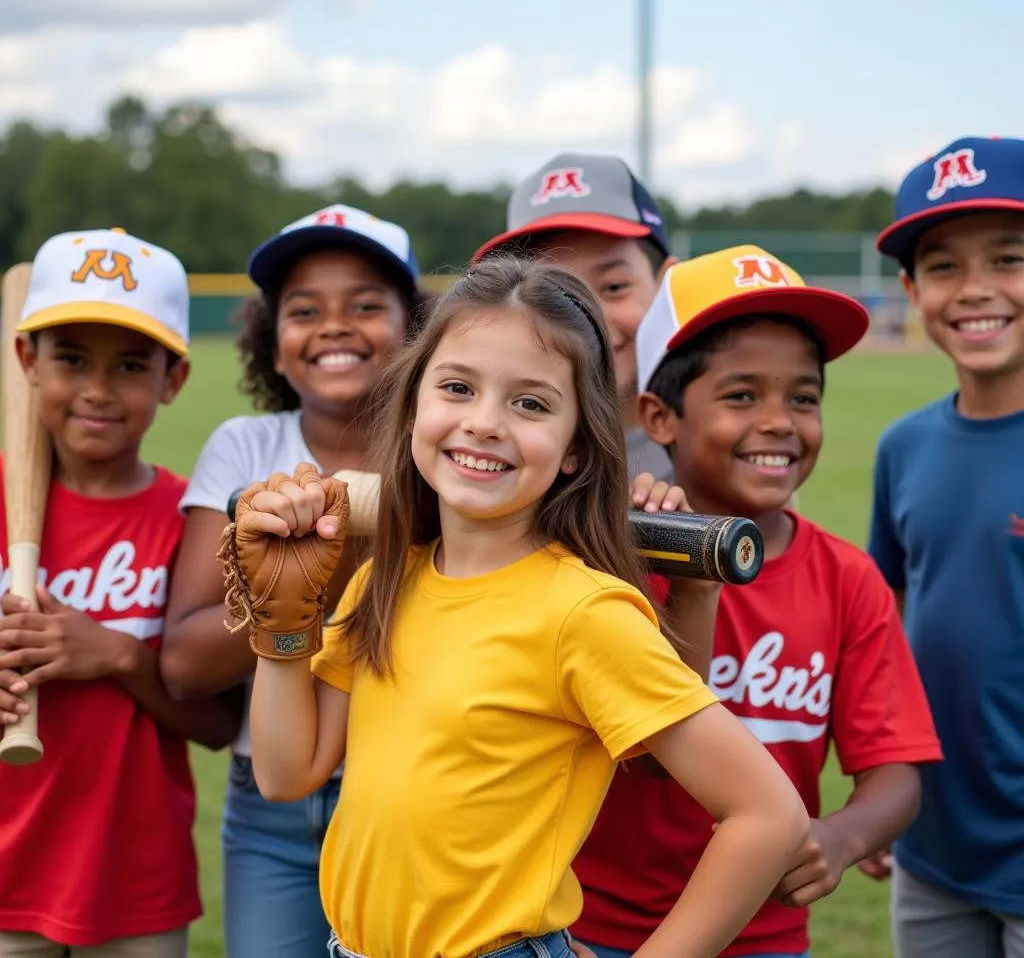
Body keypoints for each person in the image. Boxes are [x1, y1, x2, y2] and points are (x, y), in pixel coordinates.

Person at [233, 255, 811, 958]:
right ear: (415, 402)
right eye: (456, 387)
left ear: (574, 447)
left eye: (530, 403)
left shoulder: (584, 612)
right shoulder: (386, 579)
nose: (483, 422)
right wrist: (283, 621)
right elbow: (286, 773)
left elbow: (768, 814)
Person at [570, 245, 943, 958]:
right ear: (661, 415)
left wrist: (841, 836)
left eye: (802, 397)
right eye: (742, 395)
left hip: (764, 934)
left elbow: (895, 768)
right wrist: (690, 581)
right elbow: (645, 757)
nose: (779, 421)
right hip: (597, 928)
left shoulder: (846, 577)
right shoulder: (607, 560)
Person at [158, 204, 431, 958]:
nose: (334, 326)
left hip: (415, 794)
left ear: (418, 333)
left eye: (367, 306)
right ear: (273, 348)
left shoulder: (450, 457)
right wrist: (309, 571)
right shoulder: (246, 447)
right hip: (270, 808)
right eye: (303, 310)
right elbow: (183, 663)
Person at [0, 228, 239, 957]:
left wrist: (116, 655)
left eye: (130, 364)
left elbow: (218, 724)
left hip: (136, 877)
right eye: (72, 358)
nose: (99, 390)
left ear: (172, 380)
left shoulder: (188, 521)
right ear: (27, 361)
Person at [865, 135, 1024, 957]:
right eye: (943, 267)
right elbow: (890, 618)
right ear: (910, 290)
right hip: (933, 850)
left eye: (1009, 258)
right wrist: (889, 789)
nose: (977, 291)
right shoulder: (904, 447)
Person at [472, 151, 678, 481]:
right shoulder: (482, 446)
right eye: (553, 292)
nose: (588, 318)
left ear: (667, 284)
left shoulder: (708, 448)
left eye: (614, 286)